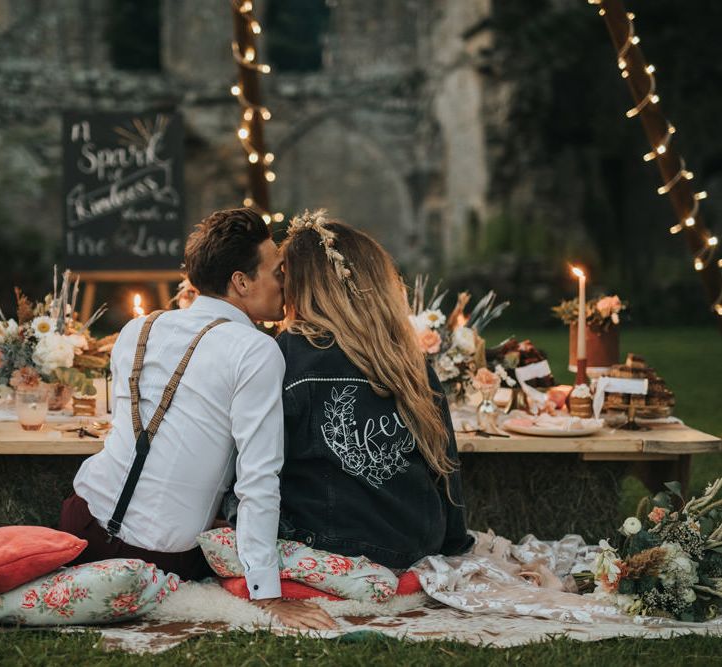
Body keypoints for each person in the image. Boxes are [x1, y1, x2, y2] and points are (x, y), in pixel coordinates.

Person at [59, 208, 334, 630]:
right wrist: (267, 594)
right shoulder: (255, 350)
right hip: (159, 560)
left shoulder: (139, 328)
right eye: (277, 272)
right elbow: (259, 480)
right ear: (241, 282)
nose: (286, 283)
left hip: (81, 523)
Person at [275, 210, 474, 569]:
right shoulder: (407, 360)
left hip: (330, 544)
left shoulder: (289, 354)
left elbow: (262, 465)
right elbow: (445, 466)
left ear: (303, 285)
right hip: (414, 544)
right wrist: (454, 545)